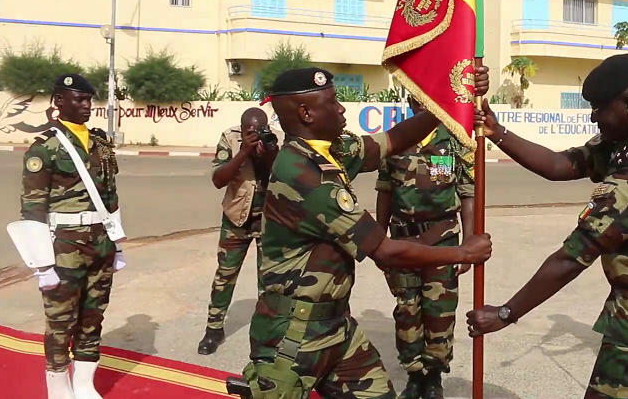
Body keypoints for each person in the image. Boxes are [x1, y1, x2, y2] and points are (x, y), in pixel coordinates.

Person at [466, 54, 628, 399]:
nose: (593, 116)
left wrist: (506, 314)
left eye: (600, 108)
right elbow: (562, 164)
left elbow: (571, 259)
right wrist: (498, 133)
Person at [234, 67, 492, 399]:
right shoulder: (304, 175)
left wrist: (455, 100)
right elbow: (384, 250)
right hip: (293, 336)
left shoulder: (331, 149)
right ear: (306, 113)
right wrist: (464, 252)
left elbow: (393, 140)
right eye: (333, 103)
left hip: (336, 328)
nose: (341, 109)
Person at [9, 73, 127, 399]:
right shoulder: (44, 147)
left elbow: (111, 197)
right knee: (60, 323)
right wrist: (42, 265)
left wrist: (117, 245)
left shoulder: (100, 142)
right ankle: (58, 388)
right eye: (80, 99)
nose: (87, 105)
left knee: (93, 317)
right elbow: (32, 208)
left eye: (89, 99)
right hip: (64, 248)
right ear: (59, 101)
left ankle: (84, 384)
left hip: (100, 243)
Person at [375, 96, 475, 399]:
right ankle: (414, 374)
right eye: (417, 102)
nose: (423, 107)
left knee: (439, 312)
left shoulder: (455, 140)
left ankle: (434, 376)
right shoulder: (395, 139)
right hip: (403, 242)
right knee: (407, 311)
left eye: (428, 101)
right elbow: (385, 192)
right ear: (410, 103)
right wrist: (379, 239)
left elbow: (467, 194)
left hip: (441, 241)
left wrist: (469, 242)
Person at [198, 107, 280, 355]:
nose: (256, 134)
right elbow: (218, 179)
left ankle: (268, 334)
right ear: (242, 128)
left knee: (269, 281)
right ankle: (214, 330)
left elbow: (284, 176)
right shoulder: (229, 138)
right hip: (236, 218)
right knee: (224, 276)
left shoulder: (278, 138)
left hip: (269, 219)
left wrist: (268, 153)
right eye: (250, 131)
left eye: (261, 130)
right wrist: (243, 152)